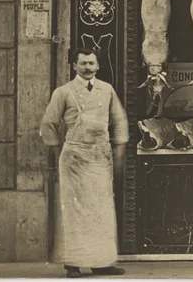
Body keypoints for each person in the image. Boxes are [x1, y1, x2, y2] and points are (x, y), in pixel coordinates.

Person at [39, 48, 129, 279]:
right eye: (83, 64)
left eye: (91, 63)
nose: (88, 68)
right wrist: (60, 150)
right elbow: (48, 124)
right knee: (75, 210)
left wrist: (118, 151)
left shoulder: (107, 90)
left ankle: (103, 263)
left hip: (100, 156)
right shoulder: (64, 92)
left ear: (98, 66)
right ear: (74, 66)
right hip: (74, 158)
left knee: (102, 210)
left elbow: (119, 122)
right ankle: (74, 264)